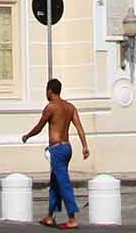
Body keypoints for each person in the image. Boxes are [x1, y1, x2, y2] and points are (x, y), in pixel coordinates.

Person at [19, 77, 89, 228]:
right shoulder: (70, 107)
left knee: (63, 182)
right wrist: (84, 146)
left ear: (50, 91)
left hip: (56, 149)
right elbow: (79, 127)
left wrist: (27, 136)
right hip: (67, 148)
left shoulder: (51, 107)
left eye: (46, 90)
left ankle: (72, 218)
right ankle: (50, 216)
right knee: (55, 183)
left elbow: (39, 126)